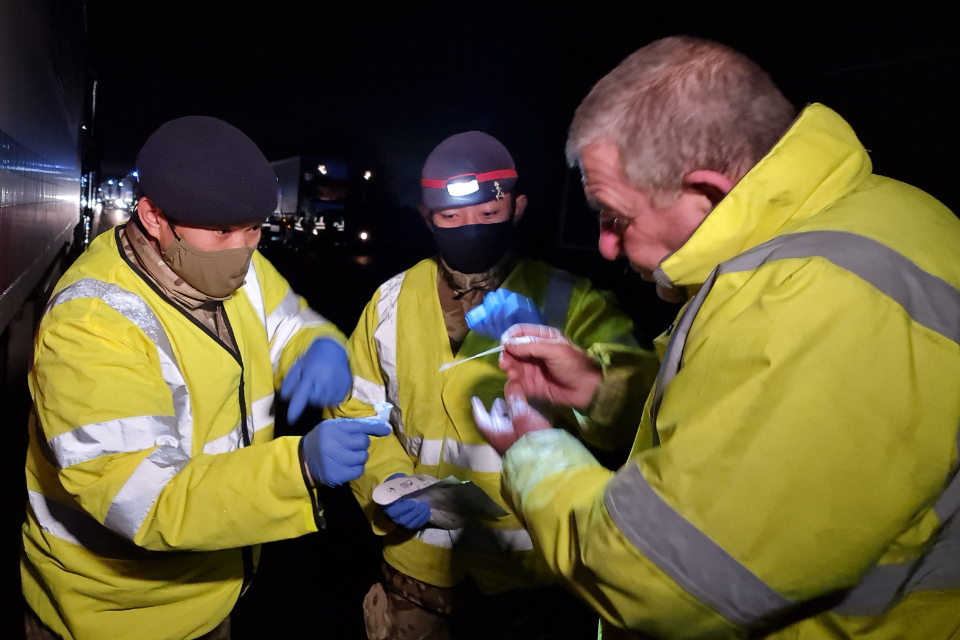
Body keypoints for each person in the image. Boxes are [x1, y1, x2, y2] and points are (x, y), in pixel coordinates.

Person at [471, 36, 960, 639]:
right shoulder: (859, 226)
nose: (604, 244)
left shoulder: (820, 297)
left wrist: (534, 457)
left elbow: (658, 575)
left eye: (615, 215)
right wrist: (602, 390)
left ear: (705, 193)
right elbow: (734, 412)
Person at [21, 116, 390, 640]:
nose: (243, 250)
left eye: (254, 228)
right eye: (220, 231)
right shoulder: (92, 324)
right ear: (152, 216)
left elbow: (289, 323)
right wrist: (297, 468)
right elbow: (146, 498)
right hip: (115, 614)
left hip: (214, 586)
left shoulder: (239, 266)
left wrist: (318, 345)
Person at [331, 131, 658, 639]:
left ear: (518, 207)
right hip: (418, 570)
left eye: (488, 214)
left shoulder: (573, 300)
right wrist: (387, 488)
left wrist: (595, 387)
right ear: (427, 217)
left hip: (535, 575)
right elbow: (352, 409)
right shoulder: (389, 301)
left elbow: (638, 409)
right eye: (451, 216)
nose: (470, 228)